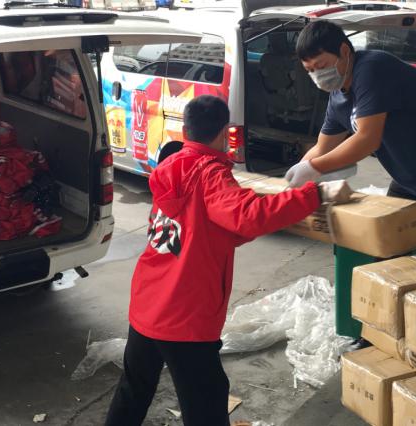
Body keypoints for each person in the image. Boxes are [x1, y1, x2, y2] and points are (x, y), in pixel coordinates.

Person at [105, 95, 349, 426]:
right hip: (185, 315)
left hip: (147, 302)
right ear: (224, 133)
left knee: (134, 390)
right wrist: (314, 194)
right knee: (206, 402)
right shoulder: (209, 173)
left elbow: (201, 228)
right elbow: (249, 216)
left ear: (186, 131)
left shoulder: (171, 167)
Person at [286, 21, 416, 249]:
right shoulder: (338, 98)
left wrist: (314, 167)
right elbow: (323, 146)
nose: (318, 75)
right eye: (310, 70)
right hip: (411, 176)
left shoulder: (372, 69)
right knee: (388, 244)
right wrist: (295, 177)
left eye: (321, 65)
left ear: (344, 51)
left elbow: (367, 140)